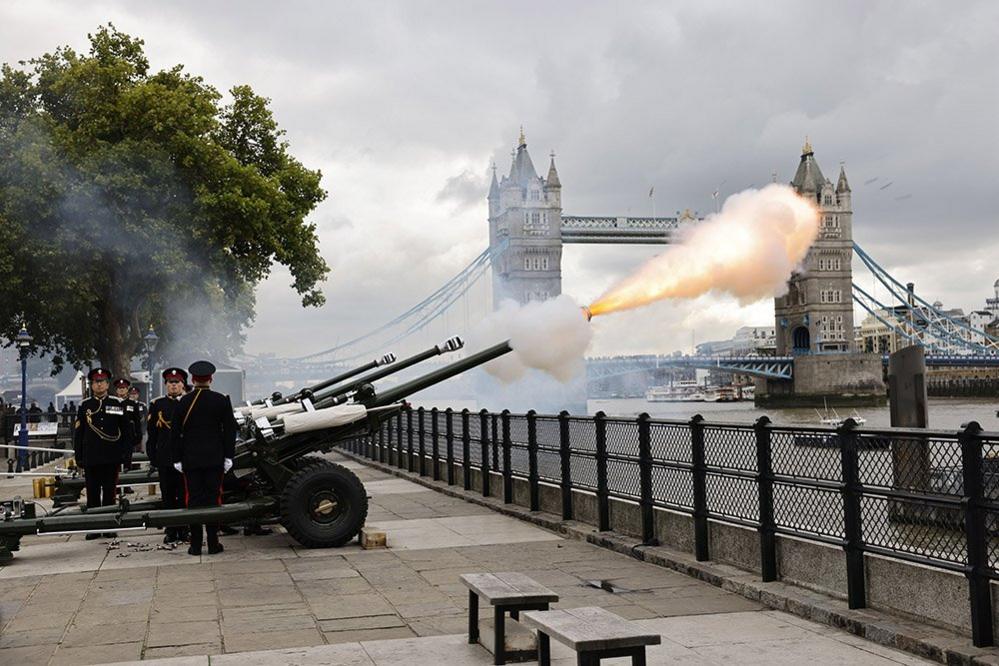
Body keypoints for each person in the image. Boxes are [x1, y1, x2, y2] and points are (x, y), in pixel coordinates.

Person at [170, 360, 236, 556]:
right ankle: (213, 542)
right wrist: (228, 456)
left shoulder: (184, 402)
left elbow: (175, 433)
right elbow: (230, 431)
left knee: (194, 499)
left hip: (190, 460)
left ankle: (196, 544)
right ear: (211, 379)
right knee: (213, 498)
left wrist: (177, 459)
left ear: (192, 379)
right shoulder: (221, 400)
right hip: (215, 459)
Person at [74, 368, 134, 540]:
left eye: (102, 381)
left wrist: (126, 456)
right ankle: (94, 526)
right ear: (92, 385)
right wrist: (79, 456)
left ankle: (108, 525)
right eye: (95, 382)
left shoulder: (117, 403)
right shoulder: (85, 405)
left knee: (109, 493)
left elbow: (126, 431)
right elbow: (79, 433)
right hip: (91, 456)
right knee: (92, 493)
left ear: (108, 384)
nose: (98, 384)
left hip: (111, 455)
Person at [146, 367, 189, 544]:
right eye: (170, 383)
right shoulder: (157, 405)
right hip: (165, 457)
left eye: (177, 383)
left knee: (184, 495)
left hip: (185, 457)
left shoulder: (188, 402)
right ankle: (171, 529)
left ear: (182, 384)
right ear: (165, 385)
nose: (173, 386)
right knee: (168, 496)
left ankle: (184, 528)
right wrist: (153, 457)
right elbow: (152, 434)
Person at [113, 378, 142, 491]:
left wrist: (138, 435)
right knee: (115, 462)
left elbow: (137, 421)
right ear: (116, 390)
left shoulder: (132, 404)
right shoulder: (113, 402)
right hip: (115, 436)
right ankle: (116, 485)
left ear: (127, 390)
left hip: (128, 436)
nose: (121, 390)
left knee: (127, 461)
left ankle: (126, 485)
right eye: (119, 388)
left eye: (124, 388)